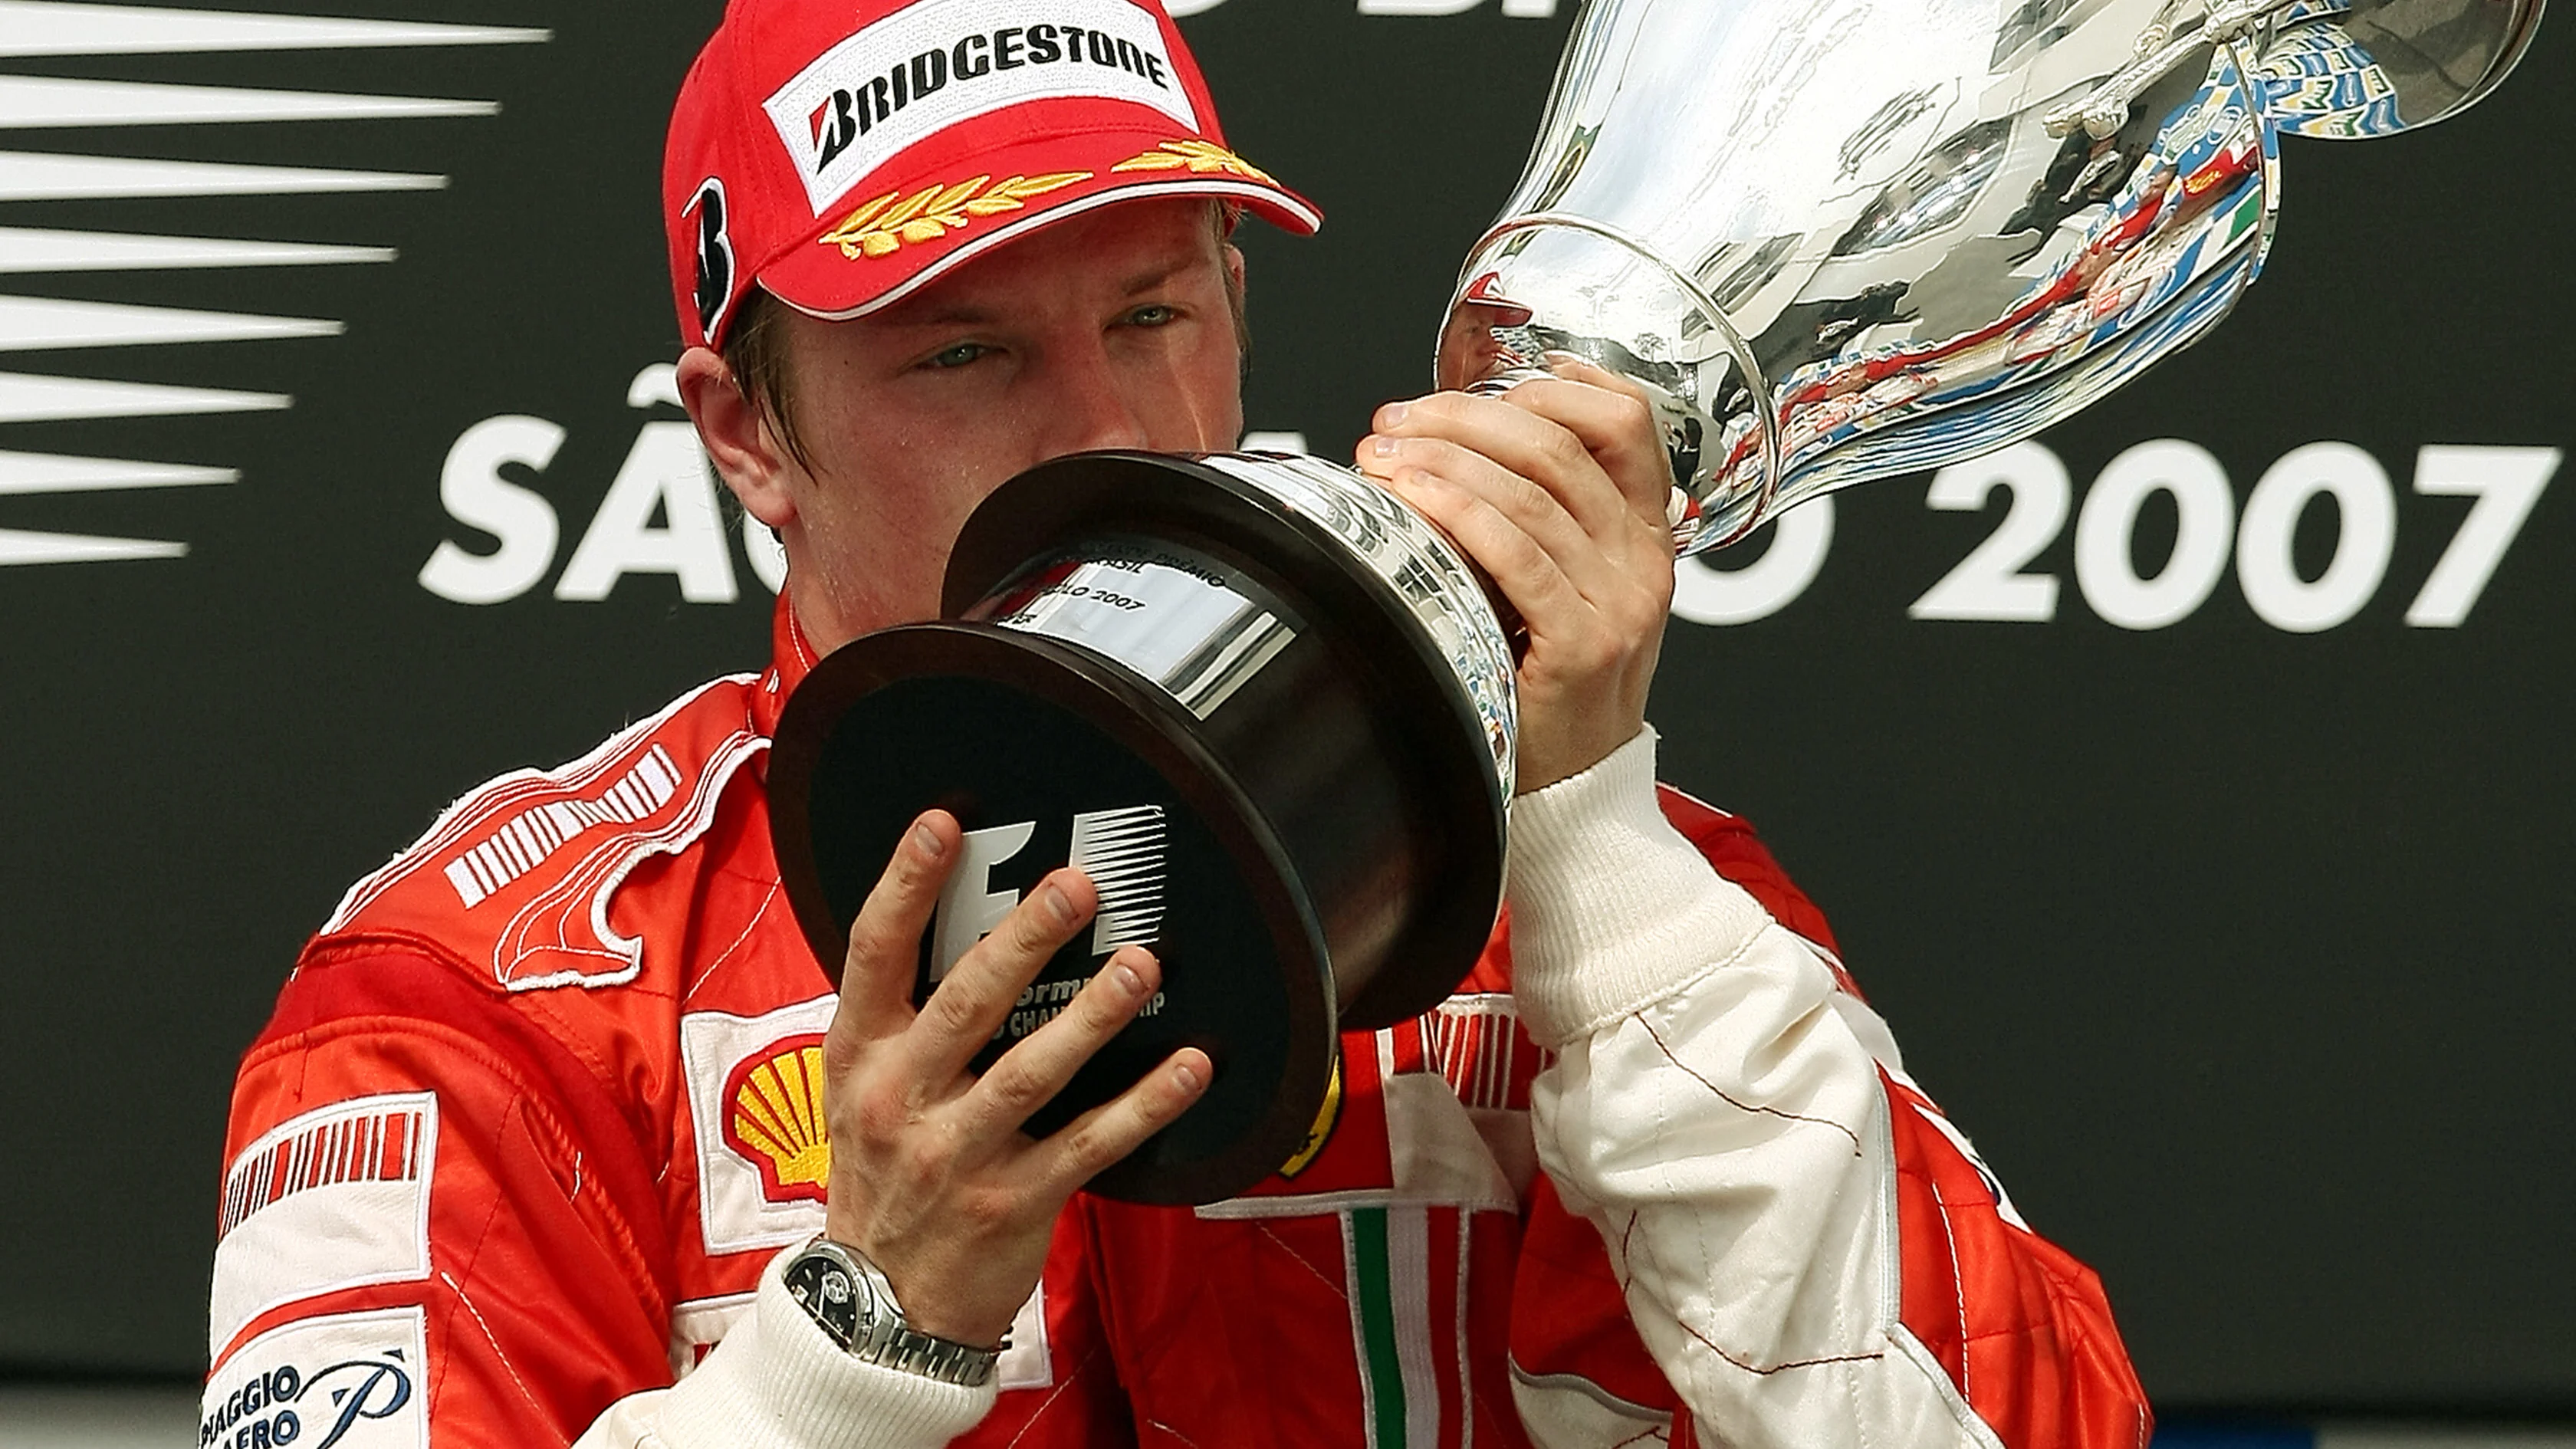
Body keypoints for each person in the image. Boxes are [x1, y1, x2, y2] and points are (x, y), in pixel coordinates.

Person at [204, 2, 2151, 1447]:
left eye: (1154, 311)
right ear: (743, 432)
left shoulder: (1558, 899)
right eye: (967, 353)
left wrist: (1596, 848)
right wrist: (853, 1344)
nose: (1115, 428)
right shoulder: (502, 985)